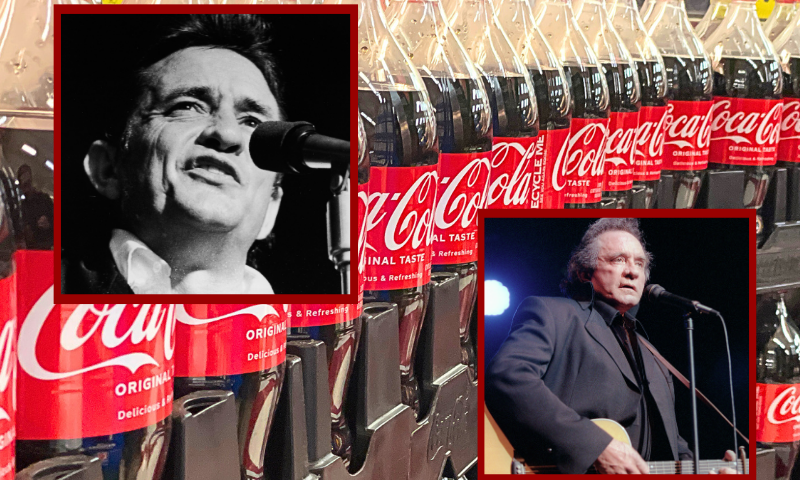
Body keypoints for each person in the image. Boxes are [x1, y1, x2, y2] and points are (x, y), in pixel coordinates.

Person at [484, 218, 738, 474]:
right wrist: (595, 446)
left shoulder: (655, 359)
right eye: (619, 260)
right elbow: (507, 376)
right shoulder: (555, 314)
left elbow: (671, 447)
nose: (632, 272)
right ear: (584, 272)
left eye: (639, 263)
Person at [62, 14, 284, 294]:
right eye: (187, 107)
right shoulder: (35, 297)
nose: (227, 134)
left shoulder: (308, 317)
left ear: (272, 205)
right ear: (108, 168)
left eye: (252, 122)